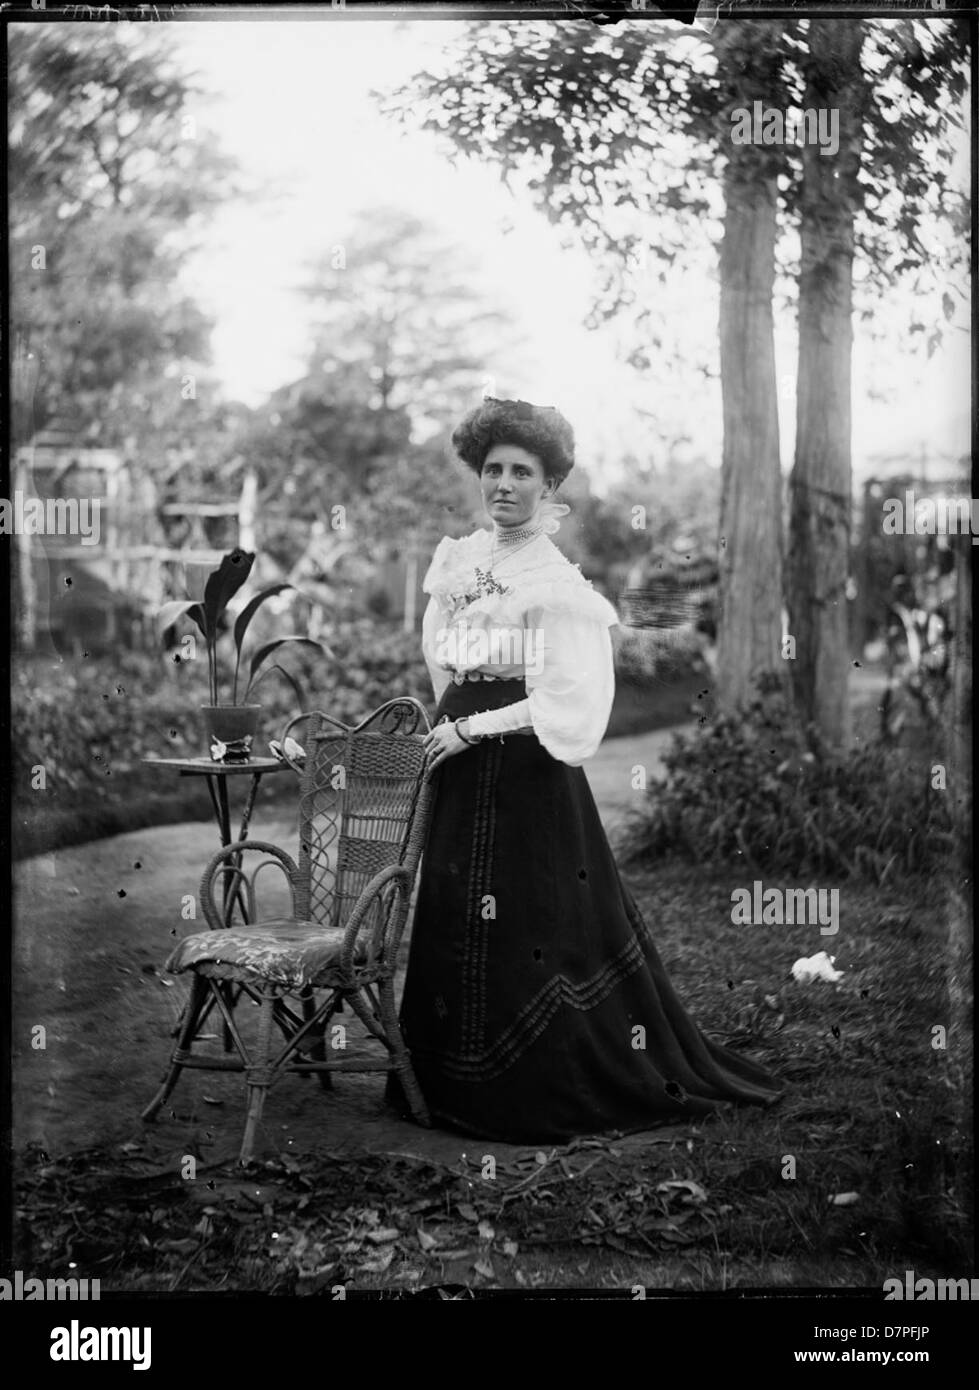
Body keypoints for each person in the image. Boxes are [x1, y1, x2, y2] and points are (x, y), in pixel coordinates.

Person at [388, 397, 781, 1143]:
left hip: (522, 774)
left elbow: (569, 695)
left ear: (548, 485)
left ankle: (517, 1093)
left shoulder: (553, 580)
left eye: (521, 472)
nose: (503, 484)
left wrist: (473, 726)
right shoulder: (463, 557)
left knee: (523, 920)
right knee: (452, 914)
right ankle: (441, 1086)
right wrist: (451, 720)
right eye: (493, 469)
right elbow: (438, 649)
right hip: (461, 765)